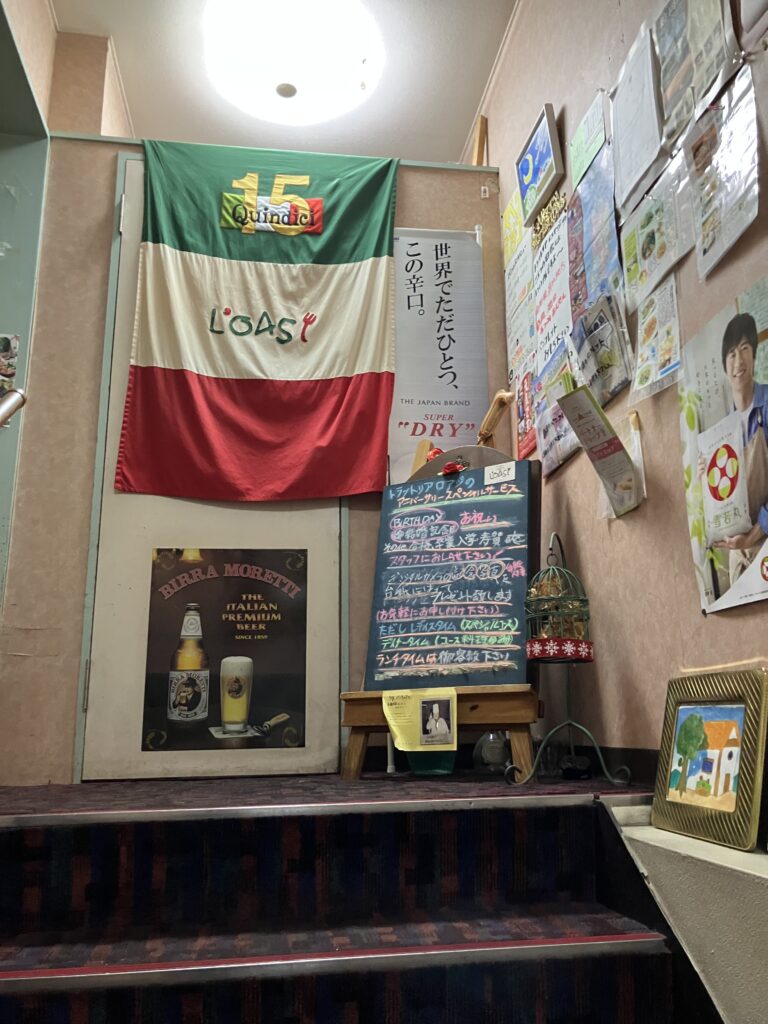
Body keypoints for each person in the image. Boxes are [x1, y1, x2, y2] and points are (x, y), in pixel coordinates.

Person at [700, 313, 768, 584]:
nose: (738, 361)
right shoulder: (722, 433)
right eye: (731, 353)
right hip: (739, 554)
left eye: (744, 348)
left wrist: (754, 534)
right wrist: (707, 478)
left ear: (754, 354)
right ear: (724, 365)